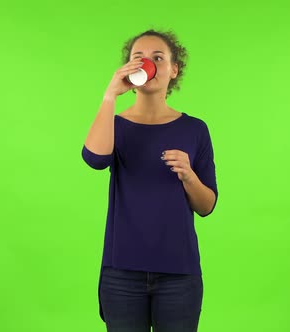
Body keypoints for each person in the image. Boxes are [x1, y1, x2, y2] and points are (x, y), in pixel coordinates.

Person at [81, 29, 218, 332]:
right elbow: (94, 159)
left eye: (158, 58)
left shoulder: (195, 129)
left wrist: (189, 175)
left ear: (173, 70)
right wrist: (109, 96)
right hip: (121, 274)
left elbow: (207, 205)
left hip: (179, 276)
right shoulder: (115, 125)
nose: (148, 65)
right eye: (138, 59)